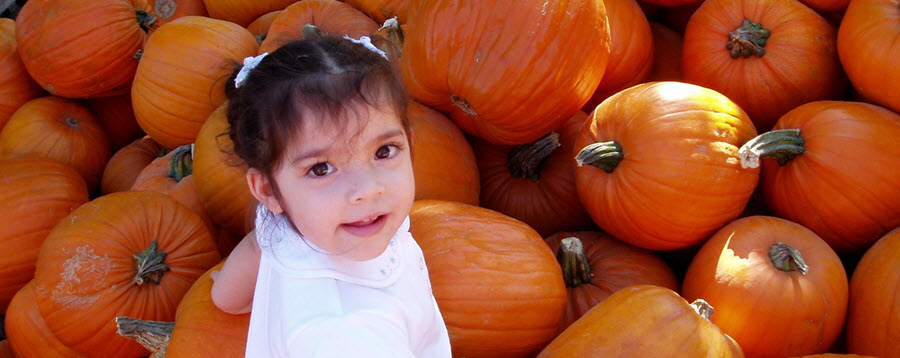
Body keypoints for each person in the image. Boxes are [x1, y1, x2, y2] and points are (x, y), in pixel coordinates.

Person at [209, 32, 451, 357]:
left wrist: (237, 301)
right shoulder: (346, 334)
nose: (368, 189)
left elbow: (242, 272)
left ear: (408, 142)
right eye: (321, 169)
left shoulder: (290, 215)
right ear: (269, 190)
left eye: (383, 151)